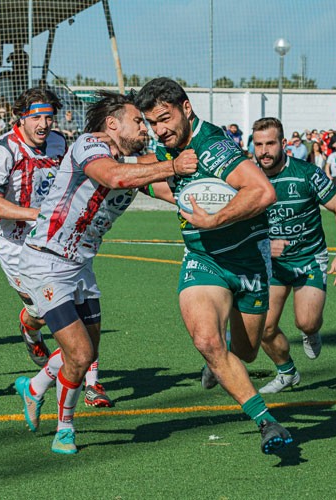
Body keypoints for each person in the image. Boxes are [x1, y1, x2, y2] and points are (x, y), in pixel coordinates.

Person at [12, 90, 197, 454]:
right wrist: (172, 165)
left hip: (80, 266)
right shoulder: (88, 145)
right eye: (138, 121)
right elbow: (114, 177)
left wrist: (216, 199)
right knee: (80, 356)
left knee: (87, 351)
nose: (145, 129)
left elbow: (166, 190)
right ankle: (64, 427)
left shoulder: (134, 161)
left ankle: (34, 386)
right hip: (46, 261)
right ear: (113, 123)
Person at [135, 77, 293, 455]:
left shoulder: (214, 147)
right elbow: (157, 176)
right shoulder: (168, 145)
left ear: (186, 109)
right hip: (202, 259)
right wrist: (144, 177)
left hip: (247, 262)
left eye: (165, 119)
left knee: (246, 351)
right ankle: (266, 422)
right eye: (152, 123)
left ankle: (220, 359)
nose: (159, 130)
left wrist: (214, 218)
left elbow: (263, 192)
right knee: (205, 340)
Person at [250, 117, 336, 394]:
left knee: (306, 321)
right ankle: (287, 373)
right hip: (271, 265)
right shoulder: (247, 177)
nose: (264, 151)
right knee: (263, 327)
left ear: (283, 144)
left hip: (308, 258)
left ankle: (311, 331)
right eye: (258, 144)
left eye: (270, 143)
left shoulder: (307, 174)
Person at [0, 88, 64, 369]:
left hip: (49, 239)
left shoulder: (59, 143)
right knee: (38, 310)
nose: (44, 124)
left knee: (63, 302)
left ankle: (82, 372)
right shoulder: (3, 150)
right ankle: (30, 329)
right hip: (13, 243)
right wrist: (34, 214)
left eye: (48, 117)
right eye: (36, 117)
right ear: (22, 118)